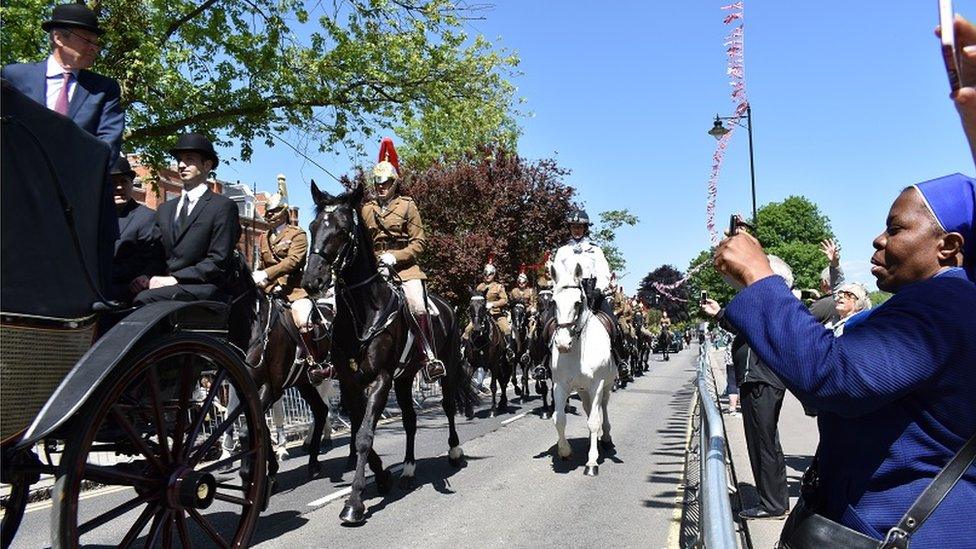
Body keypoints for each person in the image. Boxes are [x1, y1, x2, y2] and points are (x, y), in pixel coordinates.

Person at [714, 173, 976, 546]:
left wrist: (759, 276)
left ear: (948, 247)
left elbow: (833, 376)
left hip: (889, 530)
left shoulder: (945, 304)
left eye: (895, 228)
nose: (878, 239)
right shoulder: (938, 302)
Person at [705, 255, 794, 520]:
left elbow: (748, 323)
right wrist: (719, 313)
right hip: (758, 380)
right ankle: (774, 501)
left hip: (761, 380)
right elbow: (742, 325)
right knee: (763, 442)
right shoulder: (770, 304)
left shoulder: (772, 303)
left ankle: (772, 505)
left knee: (763, 442)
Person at [361, 137, 444, 381]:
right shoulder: (366, 209)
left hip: (405, 269)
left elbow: (419, 242)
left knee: (417, 304)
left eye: (386, 181)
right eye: (377, 182)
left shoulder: (407, 206)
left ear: (395, 182)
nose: (381, 186)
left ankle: (428, 356)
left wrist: (395, 257)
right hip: (375, 269)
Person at [1, 3, 124, 159]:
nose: (95, 48)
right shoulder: (14, 77)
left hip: (78, 180)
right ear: (58, 38)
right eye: (87, 41)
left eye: (96, 42)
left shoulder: (104, 89)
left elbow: (108, 146)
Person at [131, 133, 240, 304]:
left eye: (189, 159)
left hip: (204, 286)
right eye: (179, 160)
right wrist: (147, 276)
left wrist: (175, 279)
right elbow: (156, 255)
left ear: (207, 165)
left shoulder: (222, 207)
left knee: (144, 299)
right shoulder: (165, 209)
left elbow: (218, 261)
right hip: (165, 285)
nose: (181, 165)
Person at [110, 155, 162, 302]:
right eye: (113, 182)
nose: (119, 187)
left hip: (124, 292)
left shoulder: (147, 217)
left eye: (124, 181)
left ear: (131, 184)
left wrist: (145, 277)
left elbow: (155, 260)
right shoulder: (94, 218)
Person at [463, 262, 512, 355]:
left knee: (506, 328)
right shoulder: (480, 286)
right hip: (482, 315)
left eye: (490, 274)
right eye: (485, 274)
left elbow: (504, 300)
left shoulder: (498, 287)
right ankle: (462, 350)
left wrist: (493, 304)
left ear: (494, 274)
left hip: (496, 314)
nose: (487, 276)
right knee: (467, 329)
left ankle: (509, 351)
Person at [807, 239, 846, 324]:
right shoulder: (848, 300)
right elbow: (839, 284)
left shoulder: (821, 305)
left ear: (824, 282)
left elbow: (799, 323)